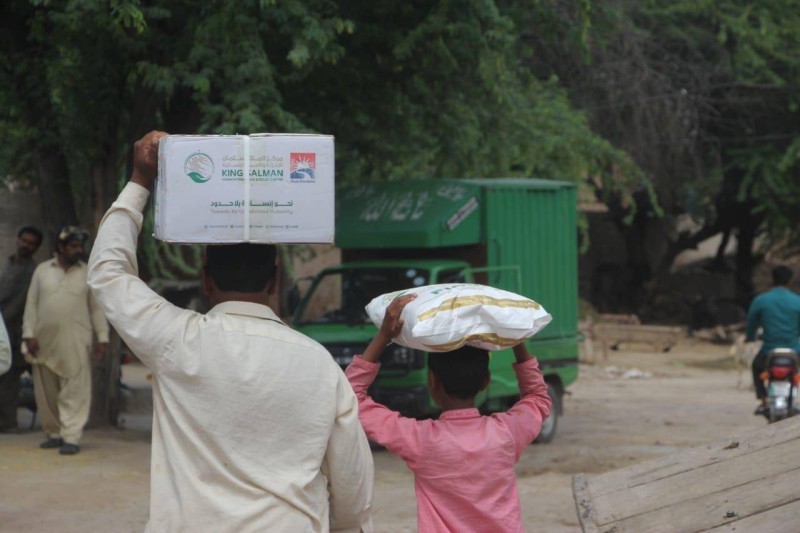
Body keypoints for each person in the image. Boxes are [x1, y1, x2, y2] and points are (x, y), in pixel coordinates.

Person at [86, 131, 374, 532]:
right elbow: (352, 486)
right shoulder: (319, 364)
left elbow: (108, 273)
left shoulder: (176, 340)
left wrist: (140, 180)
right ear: (275, 281)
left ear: (205, 280)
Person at [345, 295, 552, 532]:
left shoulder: (420, 440)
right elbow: (537, 398)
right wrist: (514, 337)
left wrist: (383, 336)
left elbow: (350, 397)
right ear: (486, 381)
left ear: (432, 382)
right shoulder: (506, 433)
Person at [22, 225, 109, 455]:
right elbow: (31, 304)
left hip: (76, 340)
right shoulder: (42, 270)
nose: (78, 250)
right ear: (60, 247)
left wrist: (102, 338)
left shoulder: (88, 272)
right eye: (73, 246)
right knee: (46, 392)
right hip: (42, 341)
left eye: (80, 246)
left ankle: (71, 436)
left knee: (75, 390)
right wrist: (28, 334)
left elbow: (97, 309)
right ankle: (54, 433)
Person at [0, 226, 42, 432]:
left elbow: (17, 306)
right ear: (17, 240)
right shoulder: (7, 263)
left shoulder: (31, 273)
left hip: (13, 335)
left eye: (31, 243)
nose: (26, 245)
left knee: (9, 383)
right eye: (24, 240)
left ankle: (8, 423)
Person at [745, 265, 800, 415]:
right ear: (790, 281)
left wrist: (749, 337)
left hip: (769, 352)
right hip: (795, 351)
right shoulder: (797, 301)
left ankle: (763, 401)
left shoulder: (761, 300)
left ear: (772, 280)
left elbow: (751, 322)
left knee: (757, 367)